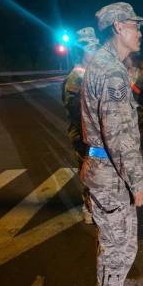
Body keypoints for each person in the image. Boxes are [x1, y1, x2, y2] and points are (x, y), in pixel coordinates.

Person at [80, 2, 143, 286]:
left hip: (102, 167)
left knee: (114, 237)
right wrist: (137, 183)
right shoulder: (111, 72)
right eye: (135, 26)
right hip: (111, 172)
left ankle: (116, 282)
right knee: (119, 240)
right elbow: (119, 135)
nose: (140, 32)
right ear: (119, 27)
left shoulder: (103, 63)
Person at [62, 27, 99, 224]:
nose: (93, 51)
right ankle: (88, 208)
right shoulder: (76, 77)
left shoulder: (91, 74)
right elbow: (76, 111)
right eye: (89, 48)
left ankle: (98, 205)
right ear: (81, 51)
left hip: (96, 134)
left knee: (98, 171)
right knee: (88, 170)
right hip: (83, 135)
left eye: (95, 47)